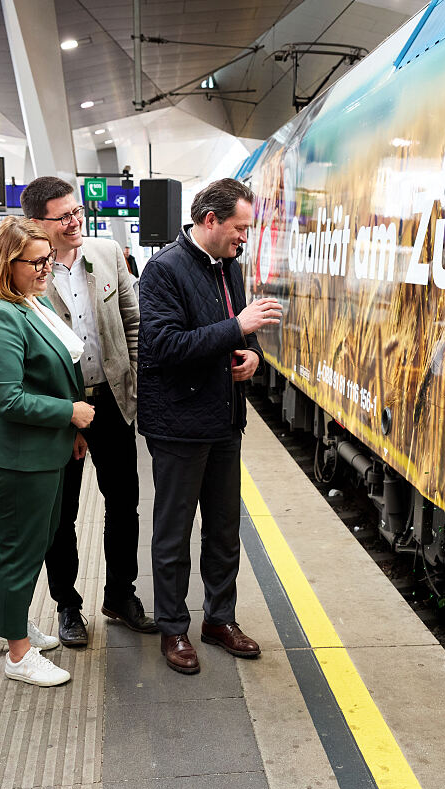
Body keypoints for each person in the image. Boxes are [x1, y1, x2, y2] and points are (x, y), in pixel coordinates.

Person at [137, 178, 282, 674]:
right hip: (178, 423)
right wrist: (237, 328)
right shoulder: (163, 269)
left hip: (223, 419)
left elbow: (238, 334)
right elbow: (163, 346)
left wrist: (251, 354)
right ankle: (173, 628)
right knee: (174, 533)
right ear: (210, 220)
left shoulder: (229, 266)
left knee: (223, 530)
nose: (245, 237)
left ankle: (219, 619)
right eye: (239, 227)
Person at [22, 176, 155, 647]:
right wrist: (62, 411)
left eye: (76, 211)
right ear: (37, 222)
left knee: (124, 502)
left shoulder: (107, 252)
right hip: (61, 409)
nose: (74, 221)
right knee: (62, 513)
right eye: (63, 216)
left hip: (113, 401)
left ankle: (121, 594)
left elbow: (133, 318)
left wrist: (134, 379)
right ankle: (67, 604)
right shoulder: (26, 270)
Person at [0, 216, 94, 687]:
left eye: (47, 260)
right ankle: (18, 655)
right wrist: (70, 413)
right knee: (21, 550)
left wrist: (70, 430)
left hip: (40, 447)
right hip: (14, 454)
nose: (46, 269)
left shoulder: (28, 302)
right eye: (35, 262)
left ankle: (10, 623)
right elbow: (7, 398)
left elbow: (54, 370)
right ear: (6, 263)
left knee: (34, 542)